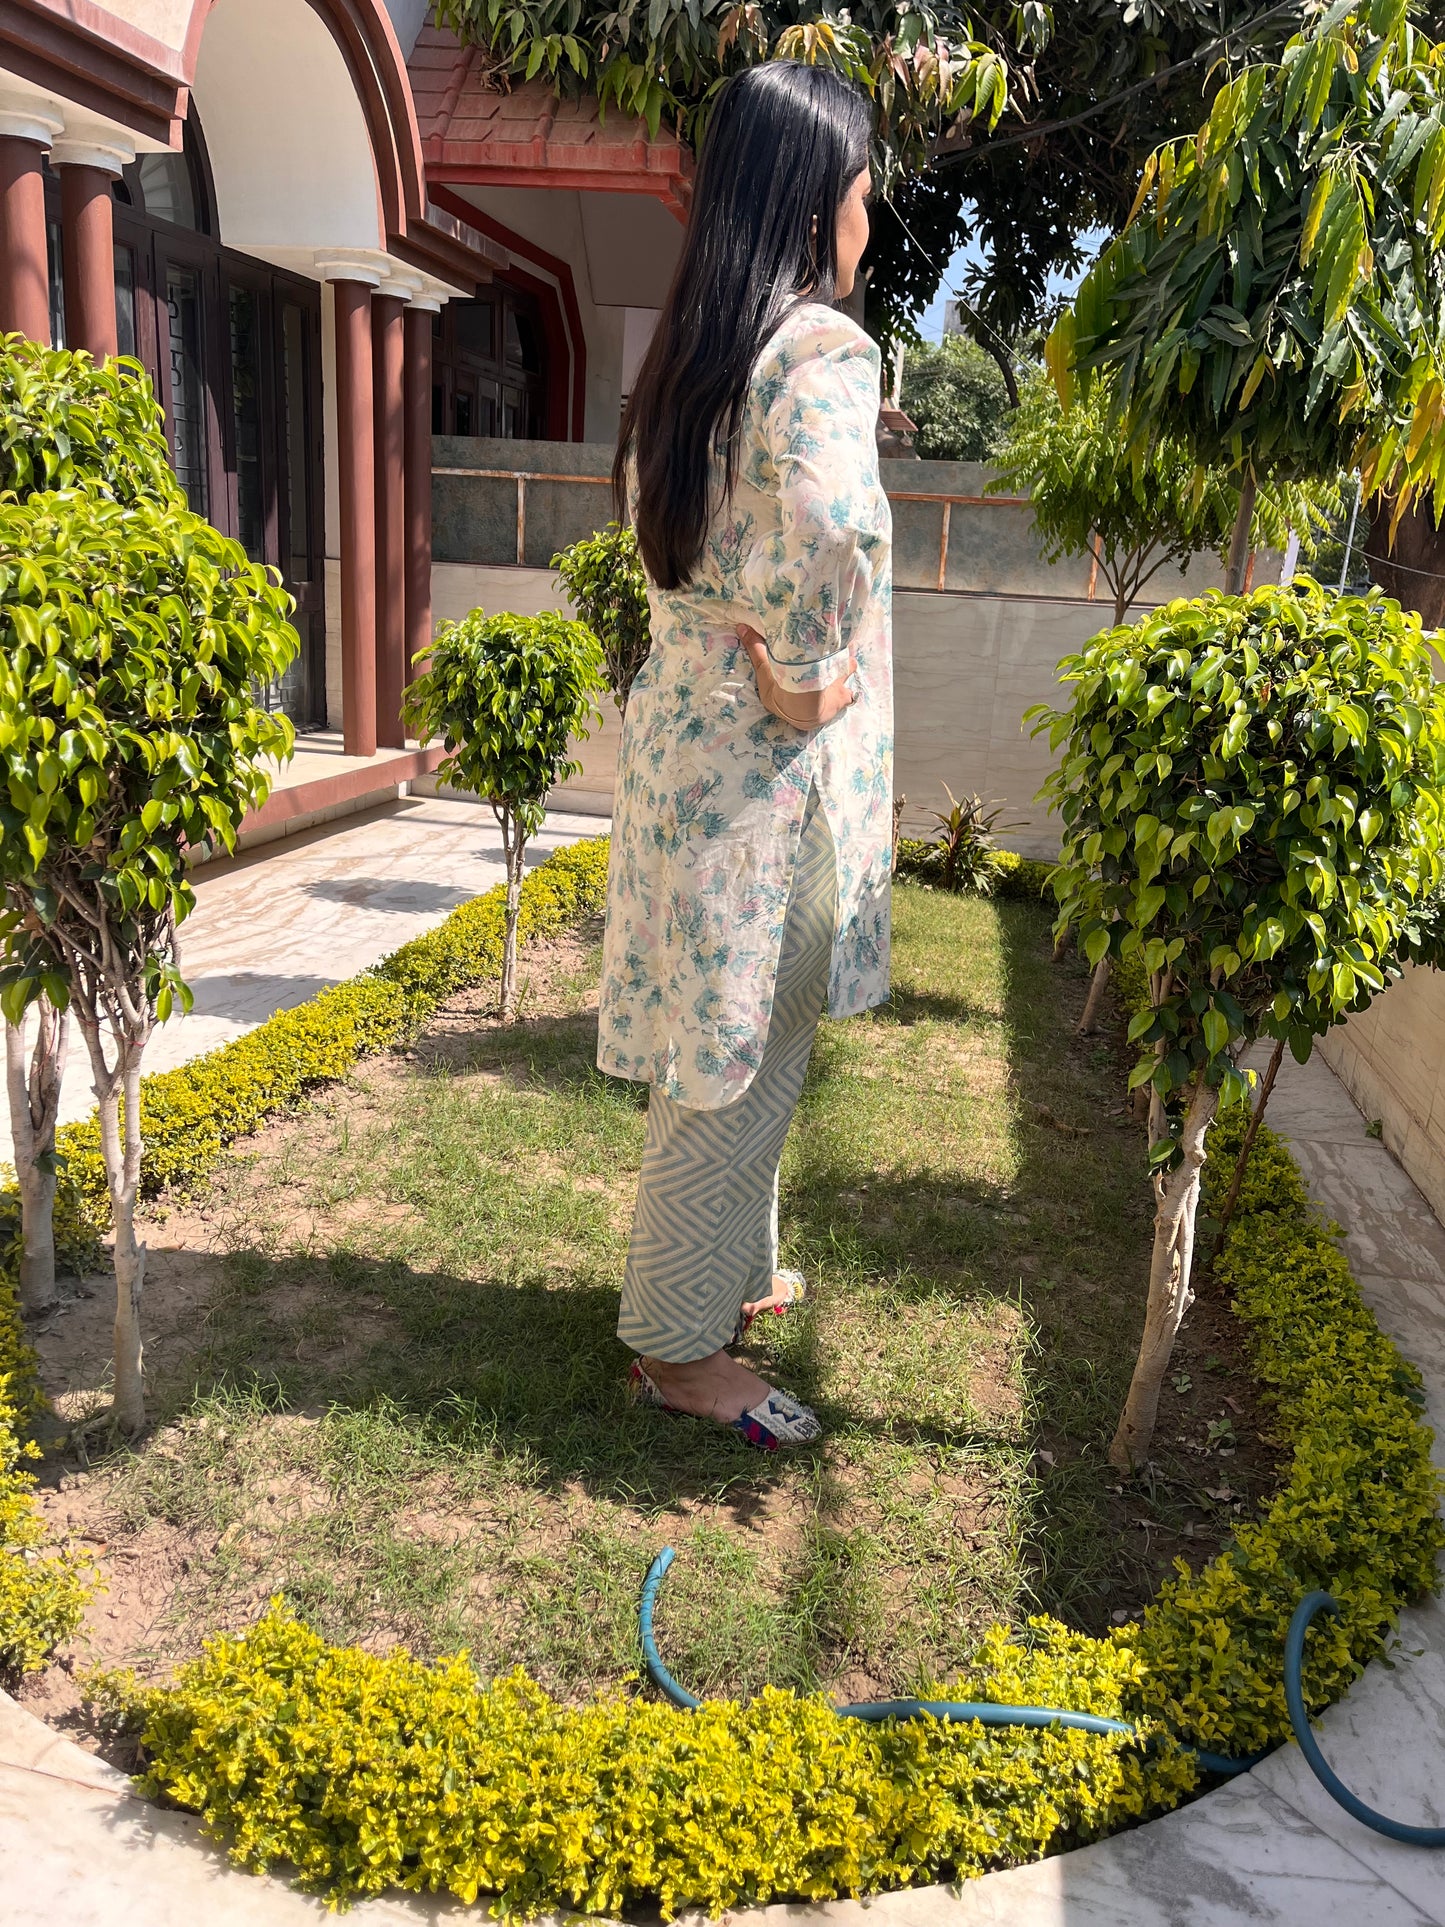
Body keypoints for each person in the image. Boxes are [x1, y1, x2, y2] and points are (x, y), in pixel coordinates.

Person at [598, 59, 893, 1451]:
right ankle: (673, 1347)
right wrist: (811, 666)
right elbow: (840, 528)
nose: (870, 219)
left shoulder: (690, 359)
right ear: (818, 197)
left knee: (718, 1037)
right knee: (733, 1062)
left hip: (676, 759)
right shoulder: (820, 350)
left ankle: (730, 1272)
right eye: (861, 190)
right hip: (760, 780)